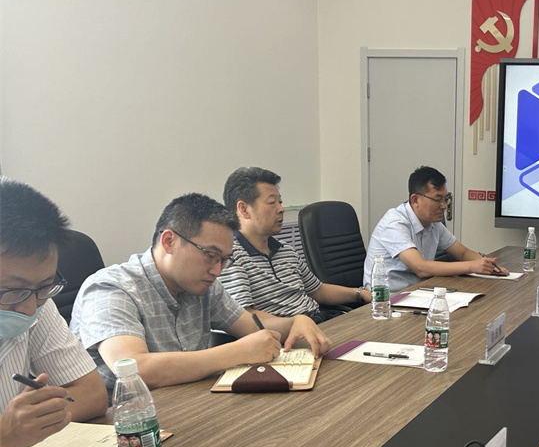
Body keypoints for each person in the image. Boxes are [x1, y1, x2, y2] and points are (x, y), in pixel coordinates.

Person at [71, 193, 332, 393]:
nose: (217, 270)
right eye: (210, 255)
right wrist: (237, 352)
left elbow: (253, 328)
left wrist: (295, 322)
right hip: (128, 427)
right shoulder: (110, 288)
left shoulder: (203, 285)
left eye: (224, 260)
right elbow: (134, 369)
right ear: (169, 241)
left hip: (190, 403)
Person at [0, 178, 107, 447]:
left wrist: (31, 421)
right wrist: (5, 436)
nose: (29, 309)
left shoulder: (36, 299)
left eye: (44, 286)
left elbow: (92, 394)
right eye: (13, 291)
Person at [219, 166, 370, 323]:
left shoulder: (285, 250)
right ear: (243, 209)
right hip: (288, 333)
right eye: (272, 203)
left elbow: (318, 290)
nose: (281, 209)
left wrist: (360, 293)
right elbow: (244, 315)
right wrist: (296, 325)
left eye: (280, 202)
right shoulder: (230, 256)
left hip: (318, 320)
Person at [364, 166, 507, 292]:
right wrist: (472, 266)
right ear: (415, 200)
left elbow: (462, 253)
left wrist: (490, 267)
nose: (443, 206)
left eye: (445, 199)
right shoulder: (394, 223)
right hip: (386, 300)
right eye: (437, 199)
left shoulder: (433, 223)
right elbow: (420, 268)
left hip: (419, 291)